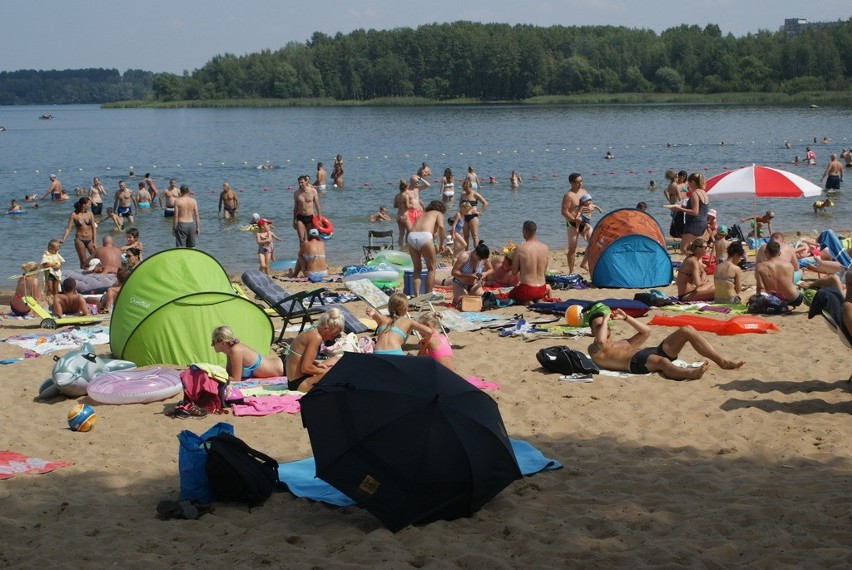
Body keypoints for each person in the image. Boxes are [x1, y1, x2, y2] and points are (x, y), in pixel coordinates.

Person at [587, 306, 744, 380]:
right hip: (637, 363)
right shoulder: (595, 349)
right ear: (593, 331)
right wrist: (606, 318)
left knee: (686, 329)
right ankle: (690, 374)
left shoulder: (622, 342)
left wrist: (627, 317)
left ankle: (722, 361)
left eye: (604, 324)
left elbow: (646, 331)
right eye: (598, 326)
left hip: (650, 352)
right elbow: (600, 340)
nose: (603, 327)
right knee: (662, 361)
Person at [284, 308, 345, 392]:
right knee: (340, 377)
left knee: (335, 363)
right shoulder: (316, 337)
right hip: (299, 383)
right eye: (333, 335)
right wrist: (325, 372)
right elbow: (305, 368)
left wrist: (317, 364)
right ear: (326, 329)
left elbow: (300, 357)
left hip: (294, 380)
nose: (332, 339)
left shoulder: (312, 330)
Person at [211, 325, 285, 384]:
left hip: (284, 367)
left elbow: (236, 379)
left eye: (213, 342)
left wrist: (215, 377)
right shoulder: (230, 351)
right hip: (281, 364)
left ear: (223, 343)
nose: (212, 345)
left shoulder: (235, 351)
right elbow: (229, 374)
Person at [366, 293, 433, 356]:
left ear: (389, 307)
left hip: (377, 353)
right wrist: (425, 342)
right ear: (406, 308)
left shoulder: (383, 318)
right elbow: (429, 331)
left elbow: (375, 314)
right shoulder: (408, 322)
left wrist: (372, 312)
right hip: (395, 353)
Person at [407, 200, 446, 295]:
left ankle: (416, 294)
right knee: (431, 268)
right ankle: (428, 295)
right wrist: (442, 243)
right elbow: (441, 227)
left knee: (417, 268)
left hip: (411, 236)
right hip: (425, 236)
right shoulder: (438, 213)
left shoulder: (422, 215)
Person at [508, 220, 550, 304]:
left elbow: (514, 272)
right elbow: (544, 269)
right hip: (542, 289)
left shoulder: (521, 248)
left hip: (527, 289)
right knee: (536, 294)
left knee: (510, 294)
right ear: (535, 231)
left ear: (525, 231)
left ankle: (527, 301)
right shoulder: (545, 247)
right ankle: (538, 299)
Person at [755, 241, 805, 307]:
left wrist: (759, 298)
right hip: (793, 299)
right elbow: (791, 282)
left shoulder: (760, 266)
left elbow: (761, 287)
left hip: (774, 300)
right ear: (779, 253)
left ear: (765, 252)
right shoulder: (789, 265)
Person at [671, 172, 710, 255]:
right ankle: (696, 263)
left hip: (694, 224)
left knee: (683, 248)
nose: (688, 185)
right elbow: (700, 209)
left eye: (689, 183)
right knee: (696, 248)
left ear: (692, 182)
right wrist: (682, 207)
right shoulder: (704, 193)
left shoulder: (695, 194)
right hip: (703, 223)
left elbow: (695, 212)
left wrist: (680, 209)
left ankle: (694, 263)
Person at [561, 172, 589, 274]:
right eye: (578, 182)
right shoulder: (568, 195)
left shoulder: (584, 191)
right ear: (572, 183)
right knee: (572, 248)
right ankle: (571, 271)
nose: (580, 184)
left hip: (584, 222)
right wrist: (574, 219)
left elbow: (588, 204)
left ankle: (584, 263)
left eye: (581, 181)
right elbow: (564, 211)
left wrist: (589, 210)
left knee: (594, 241)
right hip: (572, 224)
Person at [451, 241, 493, 306]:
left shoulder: (483, 258)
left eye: (481, 260)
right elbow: (454, 272)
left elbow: (491, 269)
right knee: (464, 303)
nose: (480, 261)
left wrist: (485, 273)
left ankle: (466, 295)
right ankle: (457, 298)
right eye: (479, 259)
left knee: (483, 301)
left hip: (474, 284)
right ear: (475, 252)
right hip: (460, 283)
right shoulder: (465, 256)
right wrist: (469, 275)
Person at [59, 198, 97, 269]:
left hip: (90, 239)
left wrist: (95, 241)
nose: (90, 206)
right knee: (83, 260)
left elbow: (94, 228)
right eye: (89, 204)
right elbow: (68, 228)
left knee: (96, 257)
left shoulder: (90, 214)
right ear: (83, 205)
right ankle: (82, 276)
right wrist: (63, 239)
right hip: (80, 240)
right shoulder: (74, 214)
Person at [459, 178, 487, 250]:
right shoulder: (463, 195)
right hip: (464, 217)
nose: (465, 190)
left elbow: (485, 203)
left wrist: (479, 212)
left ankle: (476, 251)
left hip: (473, 217)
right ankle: (466, 251)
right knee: (466, 236)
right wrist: (459, 215)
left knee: (474, 235)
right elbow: (460, 205)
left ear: (470, 187)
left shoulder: (475, 194)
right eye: (464, 188)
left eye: (466, 188)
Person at [292, 175, 321, 243]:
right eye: (299, 182)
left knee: (310, 238)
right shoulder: (296, 193)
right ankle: (302, 253)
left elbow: (317, 206)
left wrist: (319, 219)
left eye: (302, 182)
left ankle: (308, 253)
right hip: (300, 217)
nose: (300, 184)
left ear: (306, 181)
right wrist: (294, 220)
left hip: (310, 217)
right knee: (301, 239)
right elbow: (295, 207)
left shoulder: (313, 191)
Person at [393, 179, 414, 248]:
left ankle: (400, 248)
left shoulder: (396, 196)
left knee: (401, 234)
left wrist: (400, 205)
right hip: (405, 215)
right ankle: (407, 247)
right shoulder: (406, 195)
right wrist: (412, 204)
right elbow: (408, 206)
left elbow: (395, 206)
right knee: (410, 231)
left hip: (398, 215)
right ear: (406, 187)